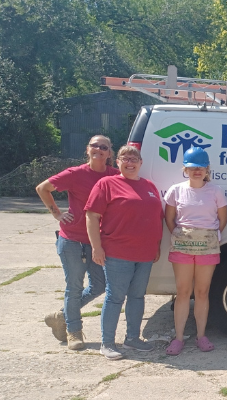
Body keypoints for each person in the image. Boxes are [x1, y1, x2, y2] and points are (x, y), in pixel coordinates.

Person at [36, 135, 119, 350]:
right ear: (87, 149)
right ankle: (74, 331)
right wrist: (57, 214)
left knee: (100, 285)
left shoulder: (114, 175)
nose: (98, 149)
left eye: (104, 147)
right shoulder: (75, 174)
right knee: (74, 287)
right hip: (72, 239)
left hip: (98, 241)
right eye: (94, 145)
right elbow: (42, 188)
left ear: (110, 153)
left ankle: (62, 315)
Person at [85, 146, 164, 360]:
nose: (130, 162)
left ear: (140, 162)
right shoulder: (107, 184)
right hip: (118, 252)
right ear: (117, 162)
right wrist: (96, 247)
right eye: (125, 158)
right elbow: (92, 216)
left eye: (134, 158)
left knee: (137, 296)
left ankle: (132, 339)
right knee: (115, 297)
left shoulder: (149, 186)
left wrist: (156, 244)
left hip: (145, 253)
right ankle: (107, 342)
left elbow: (157, 217)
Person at [163, 147, 227, 355]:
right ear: (185, 169)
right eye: (192, 167)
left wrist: (209, 236)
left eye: (201, 167)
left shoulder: (216, 191)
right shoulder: (176, 190)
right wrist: (182, 237)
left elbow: (223, 219)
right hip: (182, 248)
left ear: (207, 169)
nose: (197, 171)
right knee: (183, 292)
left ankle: (201, 335)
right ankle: (179, 338)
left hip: (207, 248)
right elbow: (169, 218)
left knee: (202, 292)